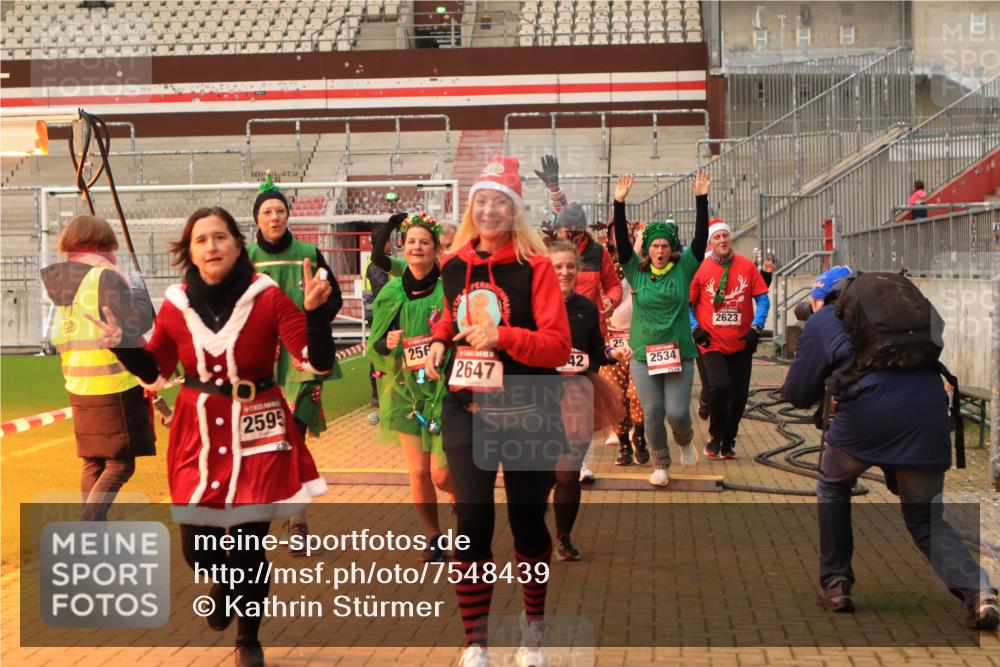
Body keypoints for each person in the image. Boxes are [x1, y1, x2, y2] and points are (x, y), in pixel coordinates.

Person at [95, 207, 334, 667]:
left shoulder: (267, 297)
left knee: (247, 544)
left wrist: (316, 315)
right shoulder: (177, 305)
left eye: (220, 237)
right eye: (201, 240)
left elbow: (314, 359)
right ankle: (222, 581)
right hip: (197, 435)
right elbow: (156, 370)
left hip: (259, 427)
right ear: (189, 252)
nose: (211, 246)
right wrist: (124, 343)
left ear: (238, 245)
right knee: (196, 548)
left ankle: (247, 639)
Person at [782, 266, 998, 631]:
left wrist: (827, 383)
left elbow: (797, 394)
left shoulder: (823, 321)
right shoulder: (900, 315)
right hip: (928, 415)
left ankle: (836, 584)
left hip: (865, 421)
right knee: (926, 519)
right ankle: (979, 593)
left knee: (833, 487)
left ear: (826, 298)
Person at [424, 157, 571, 667]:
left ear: (514, 211)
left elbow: (557, 346)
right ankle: (477, 642)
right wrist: (440, 339)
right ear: (471, 208)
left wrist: (503, 336)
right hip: (467, 406)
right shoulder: (453, 264)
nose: (489, 210)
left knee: (527, 522)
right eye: (481, 201)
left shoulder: (536, 267)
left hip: (528, 407)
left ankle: (534, 629)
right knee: (472, 521)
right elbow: (450, 315)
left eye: (500, 203)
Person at [246, 174, 342, 553]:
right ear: (257, 218)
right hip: (261, 363)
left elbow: (333, 298)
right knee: (265, 442)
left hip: (302, 362)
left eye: (280, 211)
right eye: (267, 212)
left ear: (288, 215)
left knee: (293, 439)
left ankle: (297, 521)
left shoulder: (309, 252)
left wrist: (312, 320)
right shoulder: (245, 259)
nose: (274, 217)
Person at [40, 214, 156, 522]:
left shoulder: (64, 280)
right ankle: (88, 527)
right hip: (113, 384)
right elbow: (136, 322)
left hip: (79, 385)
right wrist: (139, 291)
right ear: (102, 243)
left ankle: (94, 537)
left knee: (93, 462)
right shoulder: (103, 276)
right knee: (120, 464)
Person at [611, 171, 710, 486]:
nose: (660, 250)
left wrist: (701, 199)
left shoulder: (684, 269)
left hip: (679, 353)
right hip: (643, 355)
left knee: (678, 412)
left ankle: (684, 440)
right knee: (653, 412)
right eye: (655, 245)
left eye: (665, 245)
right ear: (648, 249)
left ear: (671, 248)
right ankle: (661, 465)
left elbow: (700, 240)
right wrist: (619, 202)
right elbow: (622, 245)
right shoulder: (635, 271)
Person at [366, 211, 454, 562]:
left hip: (443, 390)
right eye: (412, 242)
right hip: (405, 393)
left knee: (441, 474)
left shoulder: (449, 288)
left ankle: (460, 496)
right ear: (403, 247)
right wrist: (386, 343)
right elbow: (375, 342)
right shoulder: (391, 292)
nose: (417, 247)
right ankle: (433, 538)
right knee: (418, 471)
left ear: (435, 249)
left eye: (425, 242)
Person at [548, 240, 627, 561]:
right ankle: (531, 534)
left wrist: (612, 354)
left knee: (567, 474)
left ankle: (563, 538)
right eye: (557, 266)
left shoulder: (587, 308)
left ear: (578, 270)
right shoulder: (533, 306)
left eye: (570, 266)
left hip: (578, 395)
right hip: (539, 396)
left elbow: (594, 350)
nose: (564, 272)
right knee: (539, 473)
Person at [689, 219, 770, 459]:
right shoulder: (700, 269)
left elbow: (763, 299)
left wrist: (756, 327)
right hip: (711, 342)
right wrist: (695, 328)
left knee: (739, 396)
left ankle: (728, 439)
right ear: (711, 242)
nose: (722, 240)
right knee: (719, 385)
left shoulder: (747, 266)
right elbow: (687, 304)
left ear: (730, 238)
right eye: (717, 237)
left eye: (725, 235)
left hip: (741, 342)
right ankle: (715, 435)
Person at [601, 233, 648, 467]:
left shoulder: (643, 271)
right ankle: (623, 445)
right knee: (615, 397)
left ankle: (639, 435)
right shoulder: (605, 273)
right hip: (610, 342)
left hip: (638, 341)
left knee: (638, 394)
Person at [363, 223, 403, 408]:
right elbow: (382, 292)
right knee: (379, 350)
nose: (391, 243)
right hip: (381, 314)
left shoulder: (374, 263)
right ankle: (377, 393)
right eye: (388, 240)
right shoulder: (378, 265)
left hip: (378, 312)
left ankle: (382, 391)